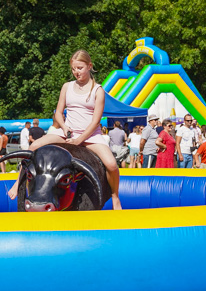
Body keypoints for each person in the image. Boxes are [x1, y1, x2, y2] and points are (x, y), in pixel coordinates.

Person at [8, 50, 122, 209]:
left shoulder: (98, 90)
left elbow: (96, 121)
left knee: (111, 165)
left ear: (89, 66)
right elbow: (59, 113)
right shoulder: (67, 86)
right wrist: (64, 126)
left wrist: (79, 140)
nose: (76, 72)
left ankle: (115, 196)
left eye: (80, 68)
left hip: (90, 135)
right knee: (33, 147)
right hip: (66, 132)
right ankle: (17, 184)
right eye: (74, 69)